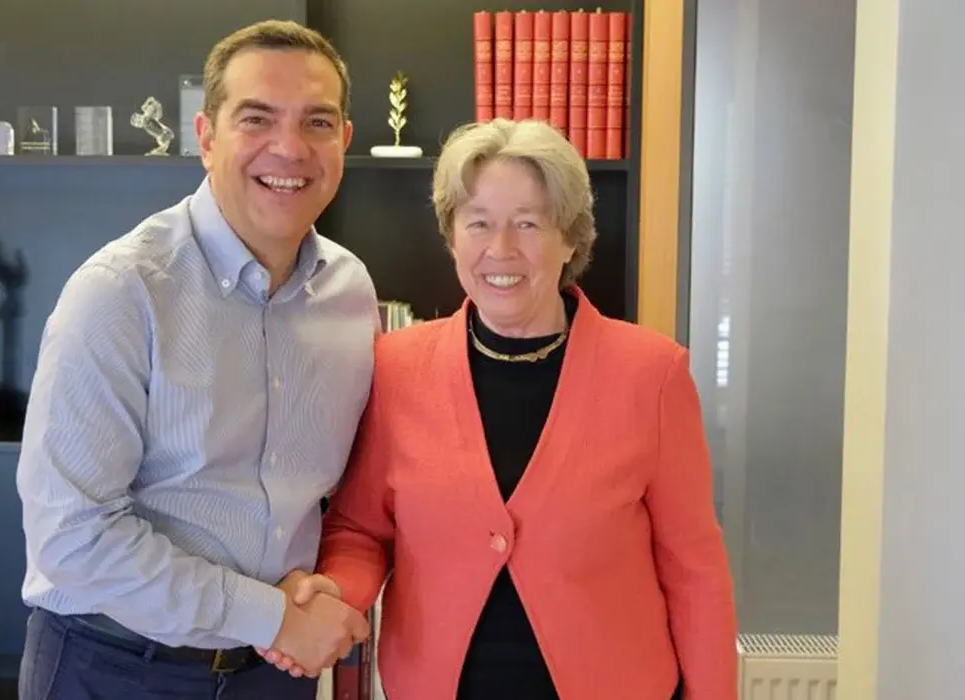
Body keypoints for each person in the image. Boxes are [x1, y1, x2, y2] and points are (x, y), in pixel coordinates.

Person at [261, 118, 739, 698]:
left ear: (570, 238)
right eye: (479, 223)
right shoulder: (395, 367)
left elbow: (695, 572)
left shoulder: (652, 375)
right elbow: (361, 530)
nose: (501, 249)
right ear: (452, 237)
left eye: (528, 223)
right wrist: (337, 593)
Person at [15, 19, 376, 700]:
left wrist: (311, 598)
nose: (290, 147)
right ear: (205, 137)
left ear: (345, 141)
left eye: (318, 122)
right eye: (257, 118)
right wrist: (272, 616)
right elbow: (72, 537)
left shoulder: (352, 294)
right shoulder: (122, 290)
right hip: (115, 667)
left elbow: (336, 495)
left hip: (271, 675)